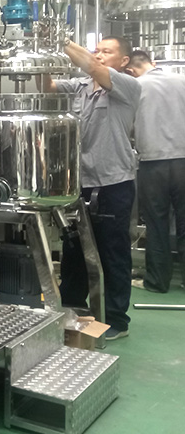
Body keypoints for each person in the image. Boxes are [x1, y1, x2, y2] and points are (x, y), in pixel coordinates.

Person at [48, 37, 141, 341]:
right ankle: (73, 307)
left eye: (106, 52)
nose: (99, 55)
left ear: (123, 61)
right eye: (97, 50)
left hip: (113, 183)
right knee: (74, 250)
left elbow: (92, 66)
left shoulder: (127, 85)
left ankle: (116, 319)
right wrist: (39, 55)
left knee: (112, 252)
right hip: (80, 182)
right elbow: (47, 85)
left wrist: (59, 39)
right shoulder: (80, 87)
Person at [125, 50, 185, 292]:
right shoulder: (182, 80)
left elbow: (127, 126)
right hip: (184, 159)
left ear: (129, 70)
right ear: (153, 62)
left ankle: (157, 282)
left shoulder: (134, 87)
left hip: (153, 163)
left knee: (157, 224)